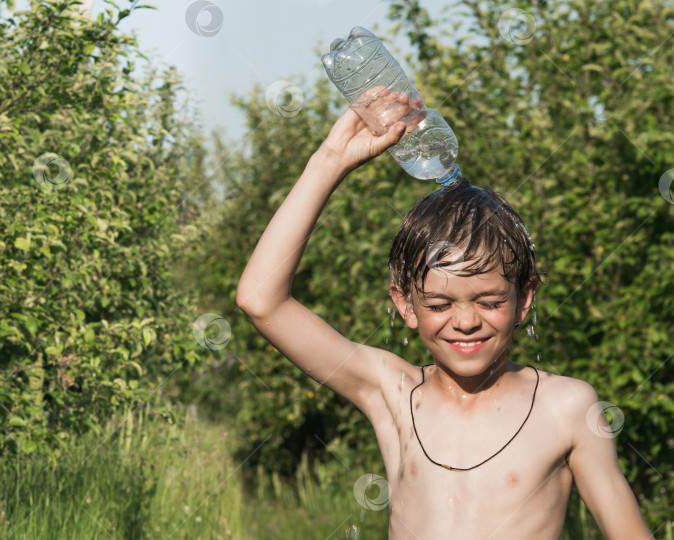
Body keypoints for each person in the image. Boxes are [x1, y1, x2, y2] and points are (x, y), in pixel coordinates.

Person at [235, 98, 654, 539]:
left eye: (489, 302)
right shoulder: (392, 392)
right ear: (405, 305)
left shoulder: (566, 407)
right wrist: (330, 161)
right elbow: (261, 300)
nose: (466, 321)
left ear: (524, 298)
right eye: (439, 306)